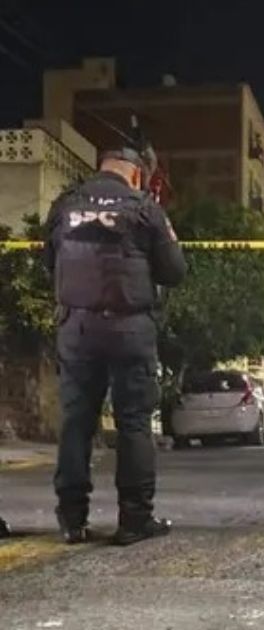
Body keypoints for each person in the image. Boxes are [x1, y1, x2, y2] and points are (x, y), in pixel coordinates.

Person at [44, 144, 186, 546]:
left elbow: (49, 263)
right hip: (129, 329)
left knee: (76, 421)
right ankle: (134, 520)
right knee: (134, 423)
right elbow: (175, 272)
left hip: (77, 327)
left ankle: (72, 520)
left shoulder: (65, 205)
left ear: (101, 168)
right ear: (137, 174)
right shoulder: (145, 209)